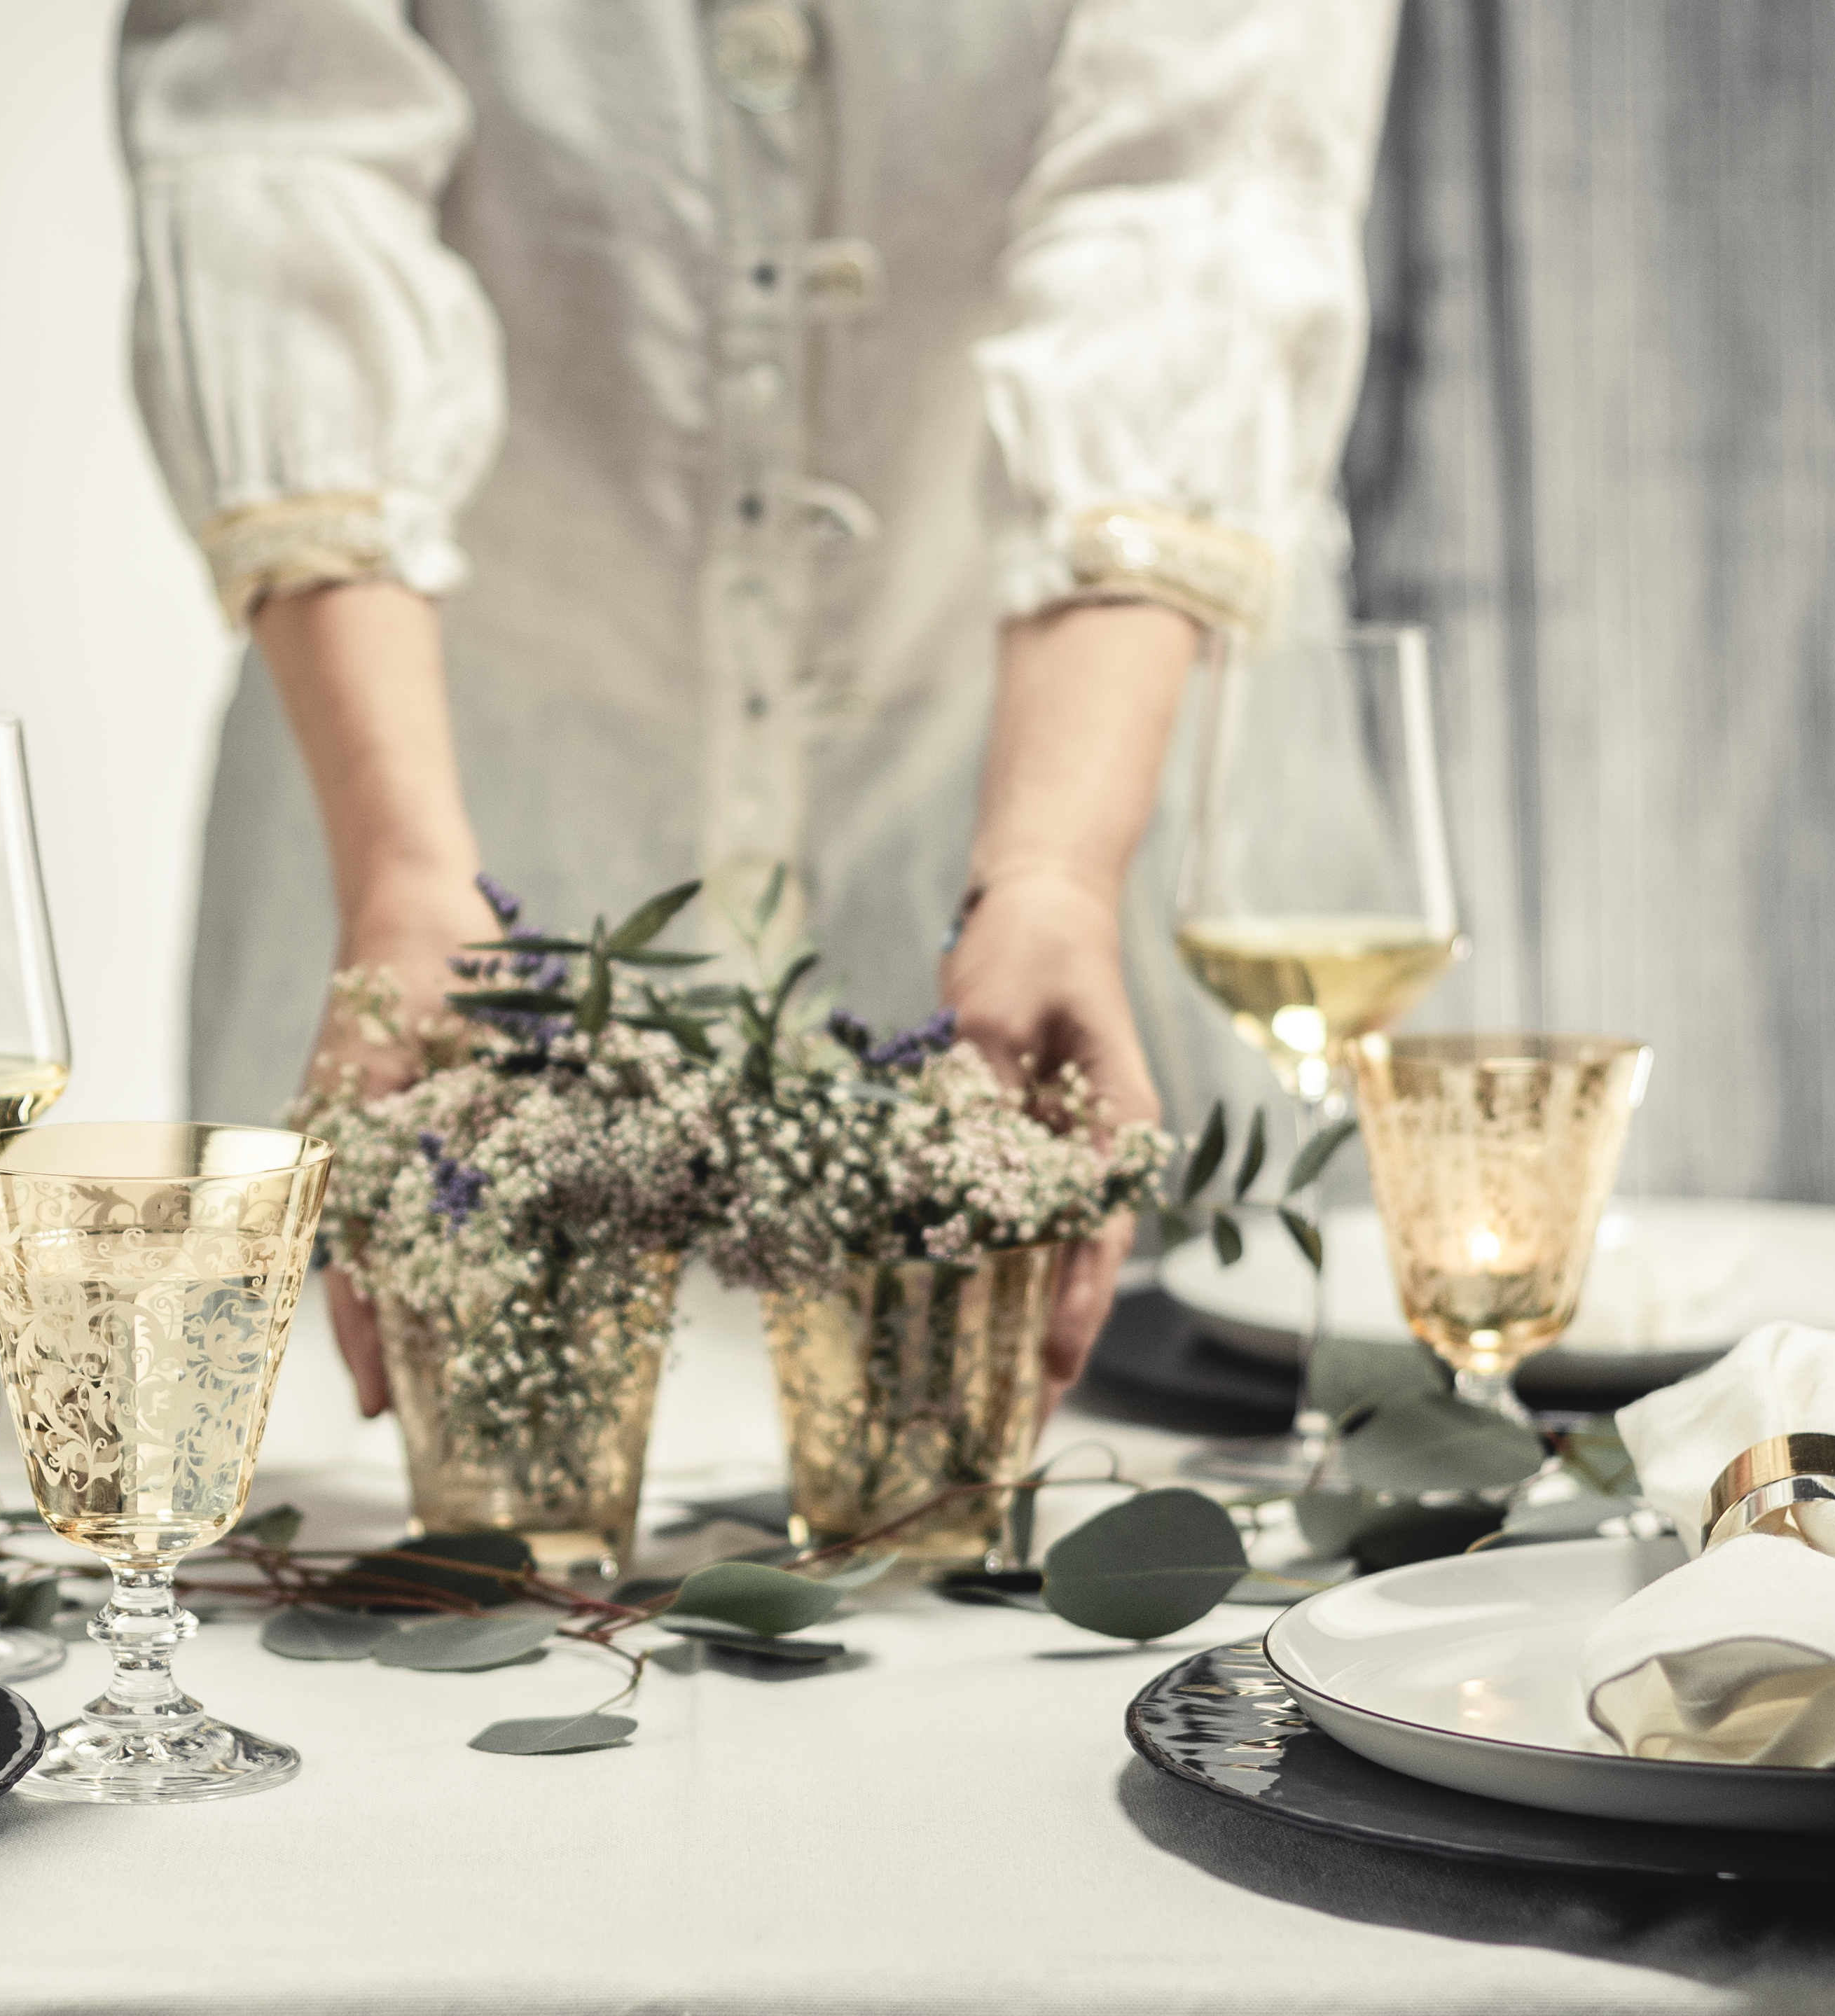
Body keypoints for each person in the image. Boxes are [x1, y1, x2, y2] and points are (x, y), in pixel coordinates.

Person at [116, 0, 1397, 1406]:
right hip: (429, 772)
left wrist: (1052, 870)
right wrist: (405, 868)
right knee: (372, 1522)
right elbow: (280, 149)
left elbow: (1201, 195)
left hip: (1098, 741)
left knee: (1190, 1492)